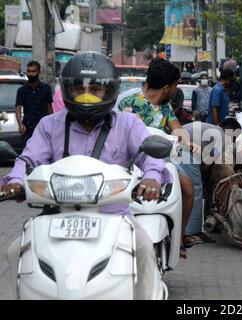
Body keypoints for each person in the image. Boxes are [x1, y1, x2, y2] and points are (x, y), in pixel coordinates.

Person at [1, 52, 170, 299]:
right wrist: (15, 182)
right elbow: (28, 160)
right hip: (56, 216)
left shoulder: (128, 124)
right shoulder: (50, 125)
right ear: (67, 91)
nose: (87, 95)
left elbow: (151, 155)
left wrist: (152, 177)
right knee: (15, 252)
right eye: (79, 89)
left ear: (110, 90)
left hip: (115, 217)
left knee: (144, 250)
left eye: (96, 89)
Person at [118, 58, 200, 258]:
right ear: (166, 88)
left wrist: (188, 142)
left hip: (164, 160)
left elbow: (176, 129)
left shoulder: (165, 107)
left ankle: (179, 237)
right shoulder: (128, 103)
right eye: (174, 86)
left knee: (187, 187)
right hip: (132, 162)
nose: (175, 90)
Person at [180, 117, 242, 247]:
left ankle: (181, 228)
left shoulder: (212, 130)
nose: (235, 140)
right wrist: (205, 177)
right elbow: (207, 164)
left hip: (174, 146)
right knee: (195, 188)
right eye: (236, 136)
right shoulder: (223, 137)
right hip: (184, 151)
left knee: (181, 190)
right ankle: (192, 232)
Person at [15, 61, 53, 143]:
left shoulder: (46, 88)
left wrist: (52, 124)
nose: (30, 74)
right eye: (28, 71)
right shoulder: (22, 90)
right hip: (28, 128)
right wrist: (20, 124)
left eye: (33, 71)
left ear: (39, 72)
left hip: (43, 128)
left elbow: (49, 107)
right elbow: (18, 108)